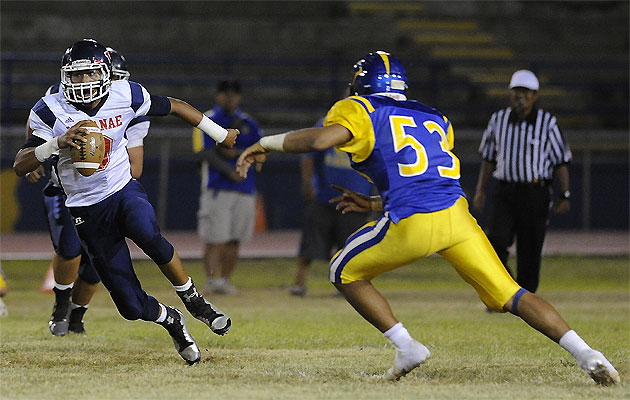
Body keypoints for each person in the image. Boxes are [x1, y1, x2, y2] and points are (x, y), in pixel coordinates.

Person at [236, 51, 619, 385]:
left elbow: (320, 141)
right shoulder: (434, 116)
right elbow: (424, 177)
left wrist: (264, 142)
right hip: (457, 218)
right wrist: (372, 204)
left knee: (343, 271)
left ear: (362, 82)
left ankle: (406, 346)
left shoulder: (360, 107)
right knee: (513, 294)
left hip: (414, 221)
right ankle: (588, 354)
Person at [14, 38, 237, 365]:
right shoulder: (49, 109)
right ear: (64, 77)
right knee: (131, 306)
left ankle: (194, 299)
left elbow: (174, 105)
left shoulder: (126, 94)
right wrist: (55, 144)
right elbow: (20, 164)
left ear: (104, 73)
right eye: (75, 76)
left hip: (122, 190)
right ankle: (172, 319)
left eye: (89, 74)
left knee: (147, 234)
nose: (83, 83)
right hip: (85, 208)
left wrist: (219, 133)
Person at [25, 47, 150, 336]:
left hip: (106, 193)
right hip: (65, 189)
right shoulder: (61, 95)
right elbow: (35, 122)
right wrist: (36, 152)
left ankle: (77, 316)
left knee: (97, 263)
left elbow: (137, 167)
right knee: (69, 250)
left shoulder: (130, 106)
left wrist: (103, 167)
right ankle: (60, 305)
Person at [472, 69, 571, 293]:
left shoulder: (547, 123)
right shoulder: (498, 120)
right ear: (509, 94)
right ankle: (504, 291)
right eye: (517, 91)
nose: (520, 96)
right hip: (505, 191)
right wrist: (480, 190)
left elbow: (560, 161)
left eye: (525, 92)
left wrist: (564, 194)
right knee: (495, 242)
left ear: (535, 95)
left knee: (530, 248)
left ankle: (527, 299)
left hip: (535, 193)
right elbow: (488, 157)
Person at [192, 80, 261, 295]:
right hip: (217, 188)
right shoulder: (208, 119)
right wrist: (228, 169)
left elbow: (260, 150)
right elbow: (201, 151)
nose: (230, 99)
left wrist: (241, 157)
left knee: (234, 238)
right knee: (215, 239)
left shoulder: (249, 122)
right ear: (218, 95)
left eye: (234, 95)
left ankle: (225, 280)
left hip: (245, 188)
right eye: (226, 94)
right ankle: (211, 281)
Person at [290, 125, 373, 297]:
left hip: (356, 197)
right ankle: (299, 283)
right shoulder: (327, 124)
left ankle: (349, 285)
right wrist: (307, 182)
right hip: (324, 195)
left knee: (352, 245)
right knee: (310, 243)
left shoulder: (371, 126)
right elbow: (309, 154)